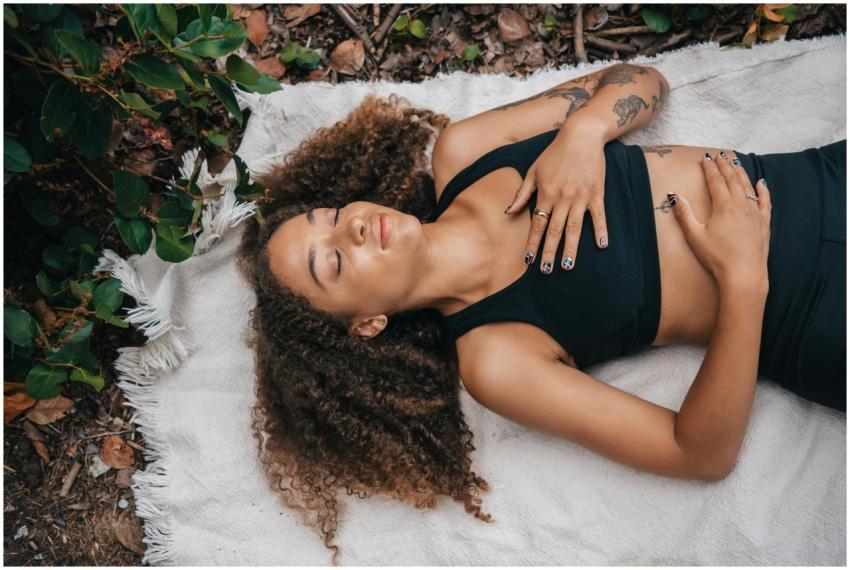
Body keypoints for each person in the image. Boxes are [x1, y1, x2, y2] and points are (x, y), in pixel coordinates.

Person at [237, 63, 846, 564]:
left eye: (336, 215)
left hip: (826, 177)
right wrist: (743, 282)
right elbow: (699, 454)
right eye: (334, 264)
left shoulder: (467, 152)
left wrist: (583, 134)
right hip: (817, 314)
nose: (356, 228)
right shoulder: (496, 356)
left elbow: (643, 80)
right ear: (366, 324)